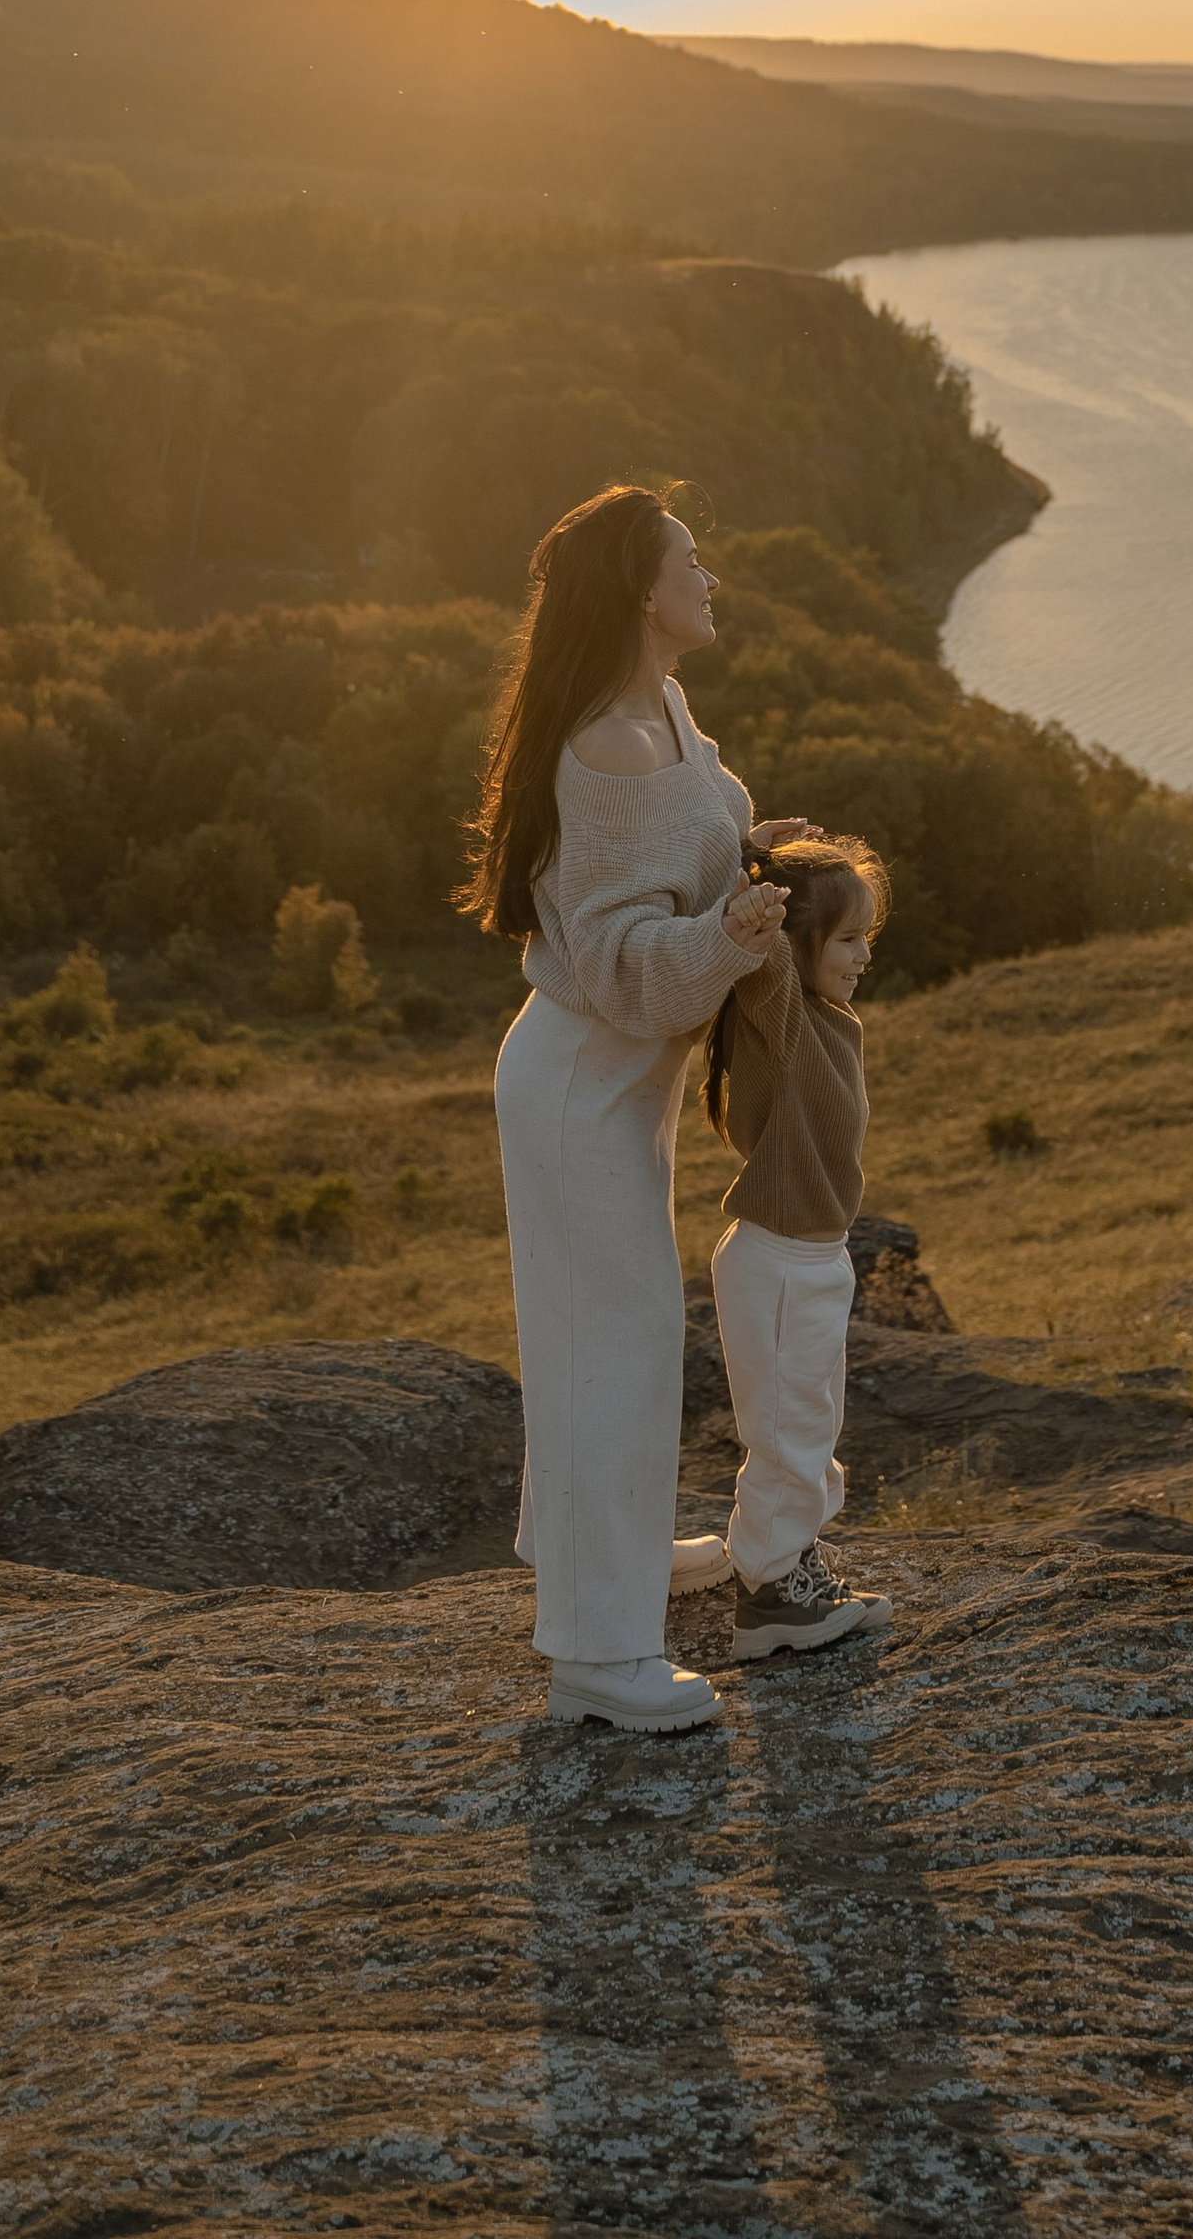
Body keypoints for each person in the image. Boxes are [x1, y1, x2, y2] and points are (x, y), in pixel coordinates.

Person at [460, 482, 809, 1732]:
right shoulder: (606, 745)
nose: (709, 580)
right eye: (690, 561)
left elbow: (683, 854)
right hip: (579, 1082)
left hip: (618, 1088)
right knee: (610, 1345)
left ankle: (602, 1556)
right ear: (639, 590)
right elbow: (616, 962)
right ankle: (599, 1662)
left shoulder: (661, 707)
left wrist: (754, 856)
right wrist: (728, 935)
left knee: (608, 1335)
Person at [697, 837, 897, 1658]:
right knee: (786, 1433)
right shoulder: (778, 1006)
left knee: (811, 1425)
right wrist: (749, 870)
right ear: (798, 941)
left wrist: (771, 855)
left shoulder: (829, 1021)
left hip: (814, 1262)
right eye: (848, 939)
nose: (864, 956)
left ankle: (789, 1561)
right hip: (777, 1263)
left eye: (867, 937)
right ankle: (772, 1597)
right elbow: (767, 952)